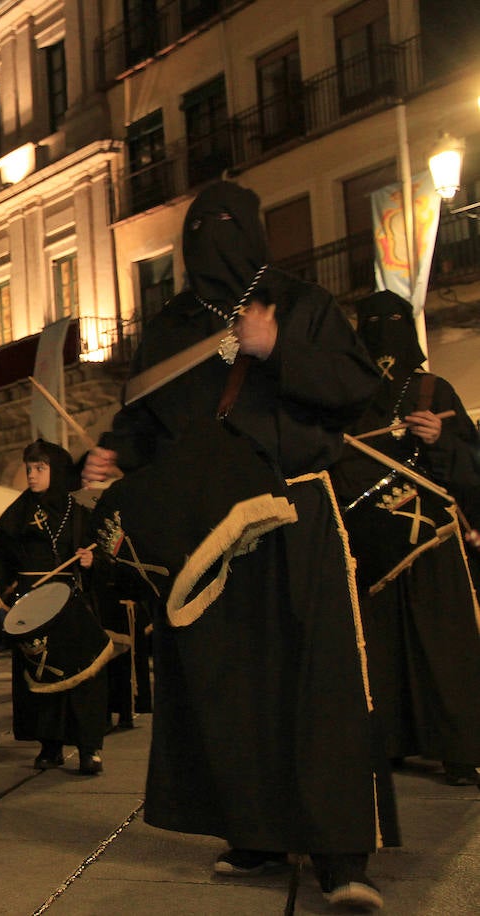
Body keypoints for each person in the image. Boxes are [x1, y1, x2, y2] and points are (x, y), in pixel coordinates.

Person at [81, 181, 393, 910]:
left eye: (225, 225)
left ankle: (341, 856)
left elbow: (356, 391)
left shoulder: (299, 304)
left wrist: (276, 346)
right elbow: (147, 424)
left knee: (319, 684)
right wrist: (114, 458)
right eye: (199, 227)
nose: (210, 238)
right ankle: (250, 831)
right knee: (229, 686)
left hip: (294, 514)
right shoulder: (170, 327)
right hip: (209, 532)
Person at [335, 289, 480, 787]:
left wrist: (441, 442)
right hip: (373, 544)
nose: (383, 332)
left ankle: (461, 750)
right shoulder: (346, 400)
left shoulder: (434, 391)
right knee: (380, 647)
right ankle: (391, 741)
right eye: (373, 322)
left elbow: (473, 462)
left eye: (393, 321)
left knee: (446, 644)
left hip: (431, 542)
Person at [0, 439, 105, 775]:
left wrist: (90, 560)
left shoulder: (79, 509)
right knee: (40, 674)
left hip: (71, 598)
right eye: (28, 469)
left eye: (39, 468)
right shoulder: (19, 512)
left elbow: (103, 550)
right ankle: (50, 745)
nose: (31, 475)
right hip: (32, 602)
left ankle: (89, 747)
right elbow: (2, 557)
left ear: (58, 470)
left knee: (82, 675)